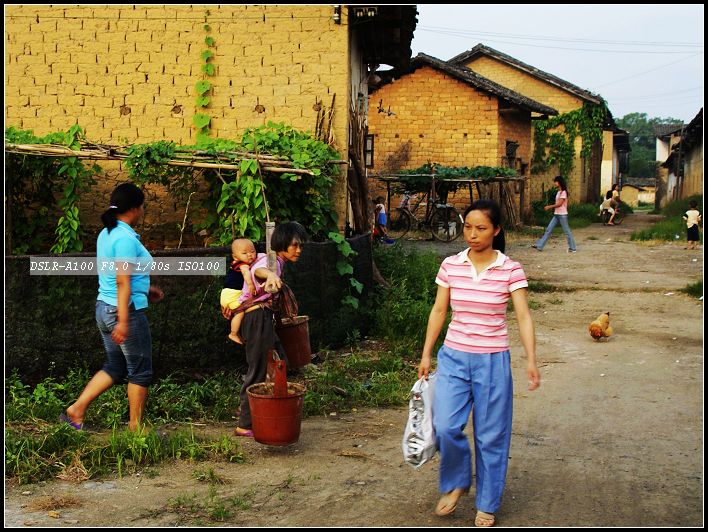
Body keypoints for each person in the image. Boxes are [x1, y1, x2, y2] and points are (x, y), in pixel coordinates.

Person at [418, 199, 540, 527]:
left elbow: (524, 317)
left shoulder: (510, 268)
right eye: (468, 227)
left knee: (491, 436)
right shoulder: (451, 265)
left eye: (481, 228)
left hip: (492, 361)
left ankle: (486, 503)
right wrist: (427, 352)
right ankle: (458, 481)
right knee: (445, 425)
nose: (472, 234)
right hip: (454, 358)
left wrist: (530, 359)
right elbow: (439, 310)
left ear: (497, 230)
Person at [61, 182, 164, 432]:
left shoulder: (107, 233)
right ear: (136, 208)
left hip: (104, 307)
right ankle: (135, 430)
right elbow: (121, 280)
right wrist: (125, 321)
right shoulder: (125, 237)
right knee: (140, 371)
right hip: (122, 310)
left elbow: (117, 276)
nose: (142, 211)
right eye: (142, 207)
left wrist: (145, 290)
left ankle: (76, 410)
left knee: (115, 367)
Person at [221, 221, 309, 437]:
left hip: (263, 318)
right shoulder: (270, 262)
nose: (299, 250)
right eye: (294, 245)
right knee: (259, 368)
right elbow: (260, 271)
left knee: (279, 363)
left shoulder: (274, 259)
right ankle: (245, 423)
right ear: (281, 243)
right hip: (257, 318)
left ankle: (254, 406)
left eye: (301, 246)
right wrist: (270, 275)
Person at [220, 238, 262, 344]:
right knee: (240, 312)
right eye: (244, 253)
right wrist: (251, 285)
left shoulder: (237, 263)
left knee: (240, 311)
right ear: (235, 256)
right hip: (232, 295)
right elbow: (246, 273)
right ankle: (233, 333)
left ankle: (236, 332)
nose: (249, 255)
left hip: (228, 294)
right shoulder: (241, 264)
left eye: (252, 251)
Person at [532, 175, 577, 252]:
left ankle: (572, 248)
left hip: (562, 215)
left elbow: (559, 204)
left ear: (559, 182)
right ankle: (540, 245)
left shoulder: (564, 192)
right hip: (556, 214)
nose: (554, 183)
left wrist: (549, 207)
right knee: (548, 230)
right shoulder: (559, 192)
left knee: (567, 231)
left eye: (556, 181)